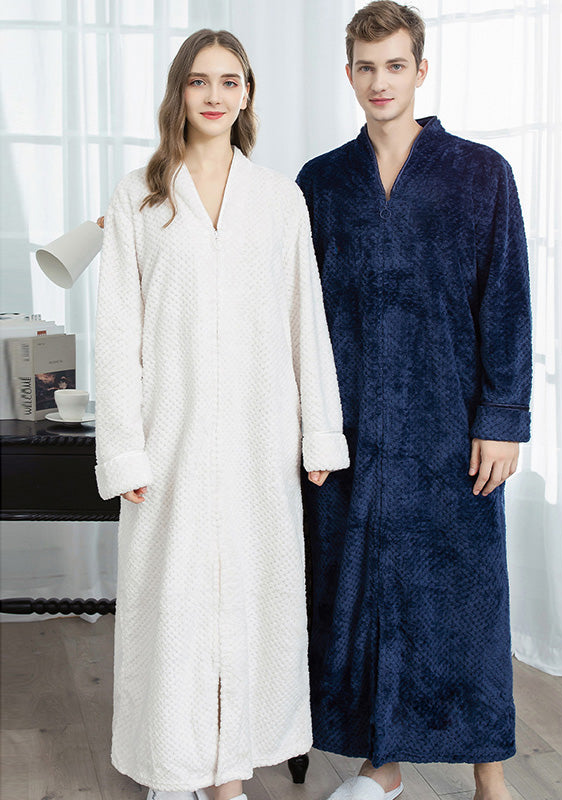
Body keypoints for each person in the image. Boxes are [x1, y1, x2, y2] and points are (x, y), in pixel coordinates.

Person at [94, 29, 349, 800]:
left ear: (246, 94)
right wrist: (126, 449)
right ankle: (175, 767)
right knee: (172, 607)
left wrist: (319, 432)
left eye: (229, 81)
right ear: (180, 91)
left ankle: (228, 778)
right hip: (167, 440)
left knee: (251, 599)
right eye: (199, 80)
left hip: (258, 438)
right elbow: (118, 333)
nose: (213, 94)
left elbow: (305, 318)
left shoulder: (278, 199)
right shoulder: (138, 197)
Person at [296, 3, 532, 800]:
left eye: (395, 65)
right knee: (358, 595)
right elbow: (296, 314)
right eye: (366, 67)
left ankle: (489, 773)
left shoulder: (481, 173)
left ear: (420, 70)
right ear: (349, 73)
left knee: (468, 598)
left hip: (449, 428)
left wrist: (502, 420)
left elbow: (506, 300)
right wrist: (311, 427)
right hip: (350, 430)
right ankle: (382, 766)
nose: (380, 82)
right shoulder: (322, 182)